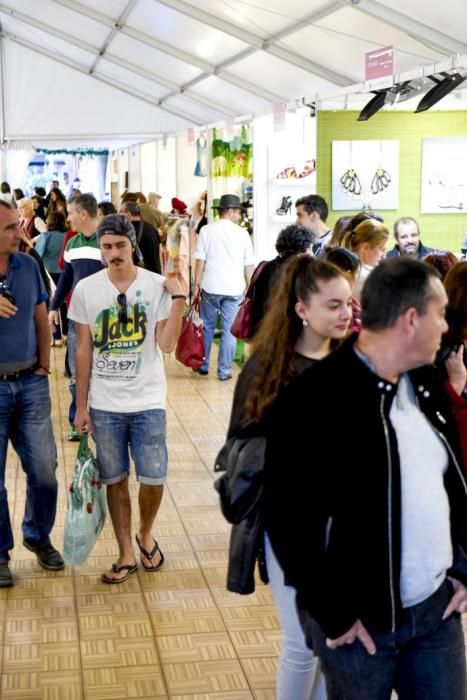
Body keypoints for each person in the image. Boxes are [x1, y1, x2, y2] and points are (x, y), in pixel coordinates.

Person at [266, 257, 467, 700]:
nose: (447, 325)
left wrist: (463, 566)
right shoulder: (313, 399)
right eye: (441, 313)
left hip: (436, 614)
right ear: (411, 320)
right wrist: (332, 613)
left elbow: (454, 482)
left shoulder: (428, 381)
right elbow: (286, 520)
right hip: (360, 628)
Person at [226, 254, 352, 699]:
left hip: (348, 528)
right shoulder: (267, 370)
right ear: (301, 309)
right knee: (304, 643)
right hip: (290, 527)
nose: (347, 313)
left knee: (331, 643)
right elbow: (238, 451)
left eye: (349, 303)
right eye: (334, 305)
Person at [69, 214, 186, 583]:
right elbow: (83, 350)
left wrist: (179, 298)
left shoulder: (156, 286)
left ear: (132, 245)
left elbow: (166, 345)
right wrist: (82, 406)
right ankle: (124, 552)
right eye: (107, 247)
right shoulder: (87, 289)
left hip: (148, 401)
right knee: (115, 478)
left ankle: (145, 532)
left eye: (120, 245)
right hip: (105, 404)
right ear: (100, 249)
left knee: (153, 477)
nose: (114, 253)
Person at [0, 200, 63, 587]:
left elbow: (42, 316)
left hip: (31, 383)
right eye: (9, 228)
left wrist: (43, 365)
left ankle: (38, 536)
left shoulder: (27, 265)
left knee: (44, 472)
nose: (18, 233)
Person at [48, 194, 103, 441]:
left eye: (70, 213)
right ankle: (76, 420)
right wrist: (53, 306)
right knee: (75, 372)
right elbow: (66, 279)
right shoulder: (72, 244)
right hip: (77, 319)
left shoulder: (107, 241)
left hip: (104, 320)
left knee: (102, 371)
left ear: (82, 214)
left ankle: (102, 420)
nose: (67, 217)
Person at [194, 194, 254, 380]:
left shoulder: (206, 231)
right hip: (234, 289)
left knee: (207, 327)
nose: (238, 215)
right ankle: (224, 371)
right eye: (237, 211)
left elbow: (200, 261)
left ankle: (203, 365)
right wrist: (250, 286)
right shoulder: (242, 233)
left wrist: (197, 285)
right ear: (230, 212)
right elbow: (249, 265)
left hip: (210, 287)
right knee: (229, 330)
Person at [249, 224, 314, 338]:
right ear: (300, 251)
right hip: (282, 333)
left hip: (263, 330)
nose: (311, 254)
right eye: (309, 249)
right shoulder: (294, 272)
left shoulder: (268, 267)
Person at [342, 218, 389, 301]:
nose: (384, 256)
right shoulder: (369, 277)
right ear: (366, 247)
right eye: (382, 249)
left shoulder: (341, 269)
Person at [119, 200, 161, 274]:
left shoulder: (125, 231)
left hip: (137, 275)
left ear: (128, 214)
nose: (119, 215)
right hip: (155, 274)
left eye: (121, 212)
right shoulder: (151, 228)